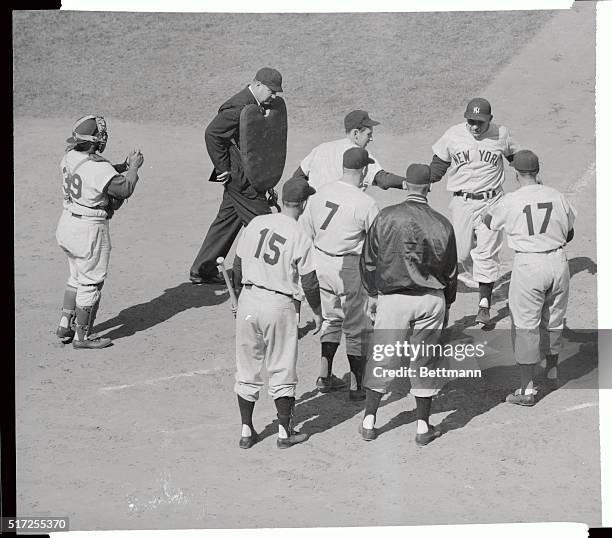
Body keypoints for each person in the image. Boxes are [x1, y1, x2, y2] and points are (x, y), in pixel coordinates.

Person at [359, 164, 457, 446]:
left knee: (383, 358)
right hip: (431, 299)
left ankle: (369, 421)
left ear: (407, 185)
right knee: (425, 363)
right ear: (428, 187)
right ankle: (423, 428)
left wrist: (373, 293)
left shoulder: (386, 217)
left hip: (393, 298)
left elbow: (368, 259)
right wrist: (447, 302)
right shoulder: (442, 223)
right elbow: (450, 271)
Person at [231, 176, 323, 449]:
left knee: (247, 367)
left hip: (249, 298)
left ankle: (246, 431)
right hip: (278, 304)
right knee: (282, 367)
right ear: (303, 204)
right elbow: (309, 281)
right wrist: (317, 312)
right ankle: (284, 433)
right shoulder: (300, 235)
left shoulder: (256, 223)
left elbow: (237, 265)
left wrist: (237, 296)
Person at [481, 150, 576, 406]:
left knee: (525, 325)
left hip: (529, 265)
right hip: (558, 262)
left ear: (516, 174)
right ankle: (553, 371)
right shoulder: (556, 196)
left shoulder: (511, 200)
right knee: (554, 318)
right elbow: (570, 233)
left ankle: (527, 390)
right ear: (537, 171)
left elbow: (488, 222)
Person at [55, 115, 144, 349]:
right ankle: (82, 336)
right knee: (91, 282)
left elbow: (95, 174)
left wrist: (122, 166)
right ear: (96, 141)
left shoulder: (69, 156)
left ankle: (65, 324)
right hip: (89, 230)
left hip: (67, 224)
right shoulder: (99, 168)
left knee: (76, 276)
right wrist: (133, 169)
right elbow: (123, 188)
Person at [190, 67, 285, 285]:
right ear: (258, 84)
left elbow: (255, 146)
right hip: (240, 178)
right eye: (271, 91)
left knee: (228, 219)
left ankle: (202, 269)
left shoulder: (255, 105)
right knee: (263, 222)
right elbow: (212, 133)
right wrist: (222, 168)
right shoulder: (240, 107)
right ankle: (273, 272)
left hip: (246, 174)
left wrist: (265, 179)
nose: (274, 96)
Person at [430, 97, 520, 326]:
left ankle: (484, 305)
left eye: (480, 122)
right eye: (471, 121)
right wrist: (419, 182)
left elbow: (516, 159)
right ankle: (472, 273)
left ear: (489, 120)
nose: (475, 127)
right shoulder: (453, 134)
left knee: (487, 253)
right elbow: (438, 165)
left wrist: (532, 180)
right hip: (463, 203)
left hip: (493, 202)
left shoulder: (501, 134)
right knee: (459, 254)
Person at [301, 147, 379, 400]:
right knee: (356, 327)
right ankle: (356, 387)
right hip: (348, 267)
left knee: (330, 319)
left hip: (320, 262)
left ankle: (325, 376)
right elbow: (377, 243)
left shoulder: (319, 193)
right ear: (364, 170)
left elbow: (306, 232)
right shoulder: (365, 202)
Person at [291, 109, 406, 191]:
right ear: (356, 133)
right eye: (368, 134)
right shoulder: (358, 154)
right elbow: (382, 179)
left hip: (313, 214)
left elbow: (298, 177)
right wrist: (412, 182)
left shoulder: (321, 148)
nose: (371, 139)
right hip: (341, 216)